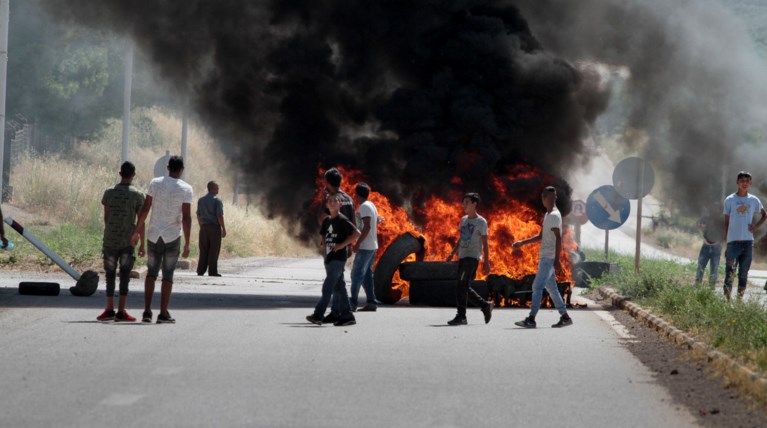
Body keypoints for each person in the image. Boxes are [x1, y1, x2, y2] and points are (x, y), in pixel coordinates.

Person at [131, 155, 194, 324]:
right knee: (168, 276)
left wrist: (137, 231)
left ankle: (146, 312)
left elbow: (145, 209)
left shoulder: (155, 183)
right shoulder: (186, 189)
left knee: (151, 273)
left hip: (153, 235)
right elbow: (187, 218)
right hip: (172, 236)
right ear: (182, 170)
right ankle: (163, 312)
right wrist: (188, 243)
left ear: (167, 167)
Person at [513, 186, 572, 328]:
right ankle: (565, 317)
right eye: (549, 198)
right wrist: (522, 242)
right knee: (552, 289)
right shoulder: (548, 215)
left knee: (537, 286)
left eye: (554, 198)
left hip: (549, 259)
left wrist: (557, 260)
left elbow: (559, 239)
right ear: (544, 199)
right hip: (546, 258)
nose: (552, 201)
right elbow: (541, 236)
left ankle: (531, 319)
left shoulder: (554, 216)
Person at [96, 161, 145, 322]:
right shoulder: (137, 195)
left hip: (110, 240)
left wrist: (111, 230)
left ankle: (109, 309)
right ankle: (121, 311)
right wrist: (142, 242)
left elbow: (106, 217)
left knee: (110, 274)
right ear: (133, 175)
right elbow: (140, 221)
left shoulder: (109, 193)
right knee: (124, 275)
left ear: (120, 174)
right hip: (127, 241)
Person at [306, 192, 361, 326]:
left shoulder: (342, 220)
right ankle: (347, 316)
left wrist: (342, 245)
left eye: (334, 201)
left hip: (338, 259)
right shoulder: (327, 221)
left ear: (340, 204)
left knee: (327, 287)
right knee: (339, 287)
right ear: (326, 204)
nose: (331, 203)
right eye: (329, 201)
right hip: (329, 258)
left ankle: (318, 315)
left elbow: (357, 233)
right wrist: (325, 246)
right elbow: (323, 235)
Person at [445, 193, 494, 326]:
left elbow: (485, 243)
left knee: (461, 285)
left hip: (472, 258)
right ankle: (484, 305)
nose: (464, 205)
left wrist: (486, 262)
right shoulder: (464, 220)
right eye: (463, 202)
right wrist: (452, 253)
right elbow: (461, 238)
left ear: (474, 204)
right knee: (463, 285)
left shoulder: (481, 222)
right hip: (462, 256)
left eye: (467, 202)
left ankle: (461, 316)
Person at [722, 171, 766, 300]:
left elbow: (764, 215)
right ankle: (727, 301)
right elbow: (726, 223)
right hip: (733, 242)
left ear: (750, 183)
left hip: (747, 243)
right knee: (730, 273)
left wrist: (756, 227)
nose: (744, 183)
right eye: (742, 181)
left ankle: (739, 301)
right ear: (737, 182)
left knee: (743, 274)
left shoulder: (753, 200)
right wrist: (727, 242)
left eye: (747, 181)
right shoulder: (730, 200)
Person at [320, 167, 355, 323]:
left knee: (335, 279)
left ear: (328, 182)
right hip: (345, 243)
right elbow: (353, 223)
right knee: (337, 278)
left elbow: (326, 218)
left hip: (335, 244)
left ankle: (344, 313)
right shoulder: (348, 198)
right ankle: (336, 312)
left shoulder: (332, 199)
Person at [350, 183, 379, 312]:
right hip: (372, 246)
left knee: (356, 274)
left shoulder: (364, 207)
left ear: (357, 195)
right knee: (367, 274)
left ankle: (352, 303)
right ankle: (371, 302)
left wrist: (358, 244)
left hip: (366, 247)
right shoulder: (371, 205)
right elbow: (372, 222)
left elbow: (367, 226)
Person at [196, 181, 226, 277]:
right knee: (214, 250)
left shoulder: (201, 200)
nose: (218, 189)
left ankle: (200, 270)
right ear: (212, 188)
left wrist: (201, 226)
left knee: (203, 249)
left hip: (204, 227)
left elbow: (198, 215)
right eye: (217, 187)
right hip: (214, 228)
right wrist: (223, 228)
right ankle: (212, 271)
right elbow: (219, 216)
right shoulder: (217, 201)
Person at [695, 201, 724, 286]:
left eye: (716, 208)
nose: (714, 210)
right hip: (706, 246)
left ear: (719, 210)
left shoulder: (721, 220)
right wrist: (701, 228)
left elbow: (725, 232)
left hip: (716, 247)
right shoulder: (706, 218)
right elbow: (698, 224)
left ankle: (711, 289)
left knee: (714, 269)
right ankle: (697, 286)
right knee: (700, 267)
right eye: (713, 208)